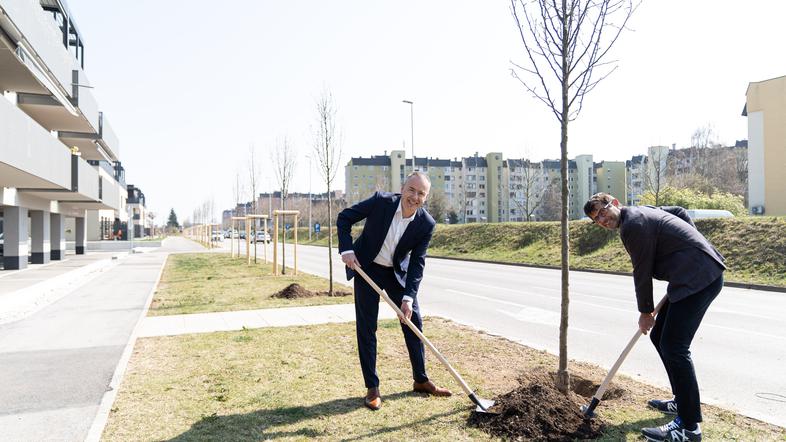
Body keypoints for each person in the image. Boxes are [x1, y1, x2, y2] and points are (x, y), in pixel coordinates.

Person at [584, 193, 725, 442]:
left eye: (603, 211)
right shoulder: (642, 211)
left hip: (699, 279)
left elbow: (642, 271)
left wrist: (645, 312)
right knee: (661, 337)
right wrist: (694, 246)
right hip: (690, 275)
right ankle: (681, 401)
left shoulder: (632, 226)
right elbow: (680, 211)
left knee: (675, 347)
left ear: (614, 203)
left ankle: (689, 426)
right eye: (596, 219)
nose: (602, 219)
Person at [336, 171, 451, 411]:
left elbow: (418, 262)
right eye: (412, 190)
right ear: (403, 188)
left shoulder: (426, 223)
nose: (415, 197)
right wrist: (346, 250)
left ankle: (420, 380)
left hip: (396, 274)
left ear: (426, 197)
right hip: (367, 267)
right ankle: (372, 388)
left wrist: (408, 298)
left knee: (413, 321)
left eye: (421, 194)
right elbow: (344, 218)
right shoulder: (381, 202)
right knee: (367, 327)